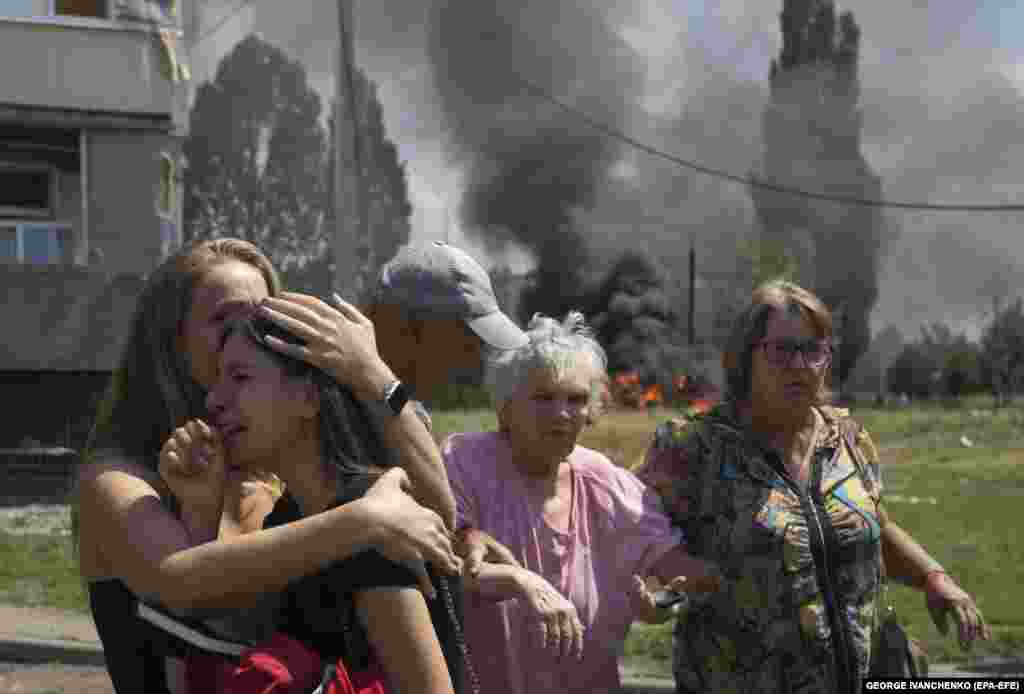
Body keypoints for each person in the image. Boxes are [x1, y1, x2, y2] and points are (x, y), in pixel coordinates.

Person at [77, 239, 461, 694]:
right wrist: (363, 521)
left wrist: (373, 376)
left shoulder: (287, 489)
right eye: (225, 319)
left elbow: (440, 517)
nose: (255, 328)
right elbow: (181, 585)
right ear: (169, 340)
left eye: (262, 311)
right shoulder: (118, 476)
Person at [636, 279, 991, 694]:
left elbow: (873, 527)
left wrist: (933, 577)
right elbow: (629, 528)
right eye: (782, 350)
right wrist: (669, 573)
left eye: (813, 349)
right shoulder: (695, 448)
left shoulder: (847, 439)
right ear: (744, 358)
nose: (800, 365)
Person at [442, 312, 719, 694]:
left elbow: (675, 565)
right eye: (543, 398)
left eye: (576, 399)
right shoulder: (464, 460)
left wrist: (666, 596)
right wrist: (522, 582)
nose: (561, 414)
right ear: (505, 406)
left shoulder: (603, 481)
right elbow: (453, 560)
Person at [184, 311, 457, 693]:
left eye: (240, 377)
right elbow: (208, 619)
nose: (214, 400)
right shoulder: (290, 516)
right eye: (216, 380)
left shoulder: (379, 524)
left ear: (310, 396)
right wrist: (202, 504)